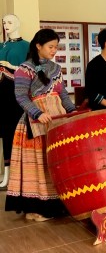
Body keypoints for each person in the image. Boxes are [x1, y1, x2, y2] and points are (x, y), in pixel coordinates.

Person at [5, 28, 76, 221]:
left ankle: (56, 204)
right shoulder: (24, 69)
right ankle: (36, 207)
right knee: (38, 165)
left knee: (55, 162)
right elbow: (20, 97)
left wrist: (72, 111)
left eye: (56, 47)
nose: (54, 50)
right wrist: (38, 113)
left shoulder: (56, 68)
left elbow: (62, 94)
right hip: (35, 122)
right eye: (51, 46)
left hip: (56, 120)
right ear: (38, 46)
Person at [0, 14, 29, 189]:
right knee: (4, 132)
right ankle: (6, 174)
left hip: (16, 92)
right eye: (4, 23)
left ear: (18, 23)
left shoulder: (26, 46)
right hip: (1, 93)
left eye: (10, 22)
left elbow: (32, 69)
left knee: (15, 131)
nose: (6, 25)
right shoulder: (1, 45)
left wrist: (10, 66)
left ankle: (18, 175)